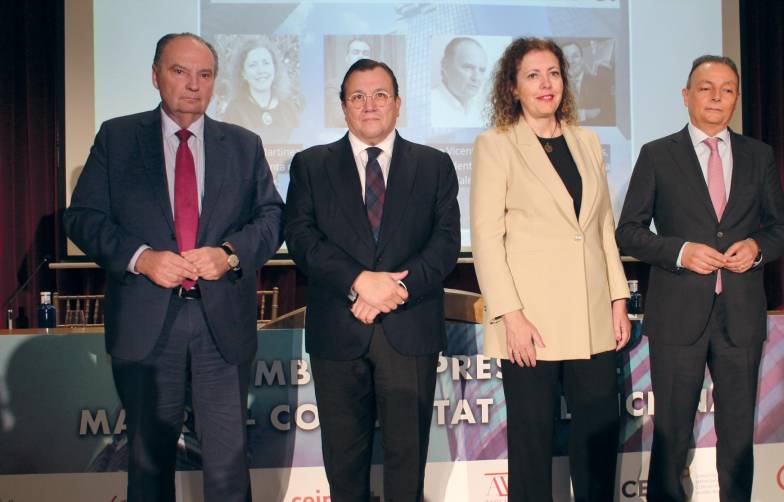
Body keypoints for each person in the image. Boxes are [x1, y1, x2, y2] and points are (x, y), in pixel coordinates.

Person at [65, 33, 284, 501]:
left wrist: (227, 255)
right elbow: (82, 218)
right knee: (147, 465)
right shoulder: (118, 138)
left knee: (228, 469)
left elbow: (272, 218)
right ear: (155, 76)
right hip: (147, 326)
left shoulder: (244, 145)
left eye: (204, 75)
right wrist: (142, 258)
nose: (193, 85)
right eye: (179, 72)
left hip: (221, 326)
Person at [615, 55, 784, 502]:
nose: (716, 97)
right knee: (672, 434)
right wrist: (680, 251)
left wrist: (756, 249)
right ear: (686, 95)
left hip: (740, 317)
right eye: (706, 87)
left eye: (727, 88)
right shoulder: (657, 154)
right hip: (678, 316)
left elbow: (781, 229)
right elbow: (628, 231)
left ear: (735, 97)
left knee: (737, 438)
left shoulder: (759, 155)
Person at [284, 59, 460, 501]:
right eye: (357, 96)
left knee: (407, 464)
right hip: (339, 331)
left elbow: (445, 243)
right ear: (343, 106)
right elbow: (301, 238)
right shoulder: (310, 165)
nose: (369, 105)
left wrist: (396, 289)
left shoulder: (435, 165)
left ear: (398, 104)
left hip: (410, 329)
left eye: (380, 94)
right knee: (344, 465)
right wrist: (359, 281)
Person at [470, 37, 631, 501]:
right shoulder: (495, 144)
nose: (547, 84)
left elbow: (601, 227)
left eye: (554, 73)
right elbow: (486, 237)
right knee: (532, 445)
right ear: (513, 88)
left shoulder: (586, 140)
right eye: (533, 75)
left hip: (592, 316)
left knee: (597, 440)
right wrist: (509, 315)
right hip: (530, 324)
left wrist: (618, 300)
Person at [223, 39, 300, 143]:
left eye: (266, 63)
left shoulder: (289, 108)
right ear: (243, 73)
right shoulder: (235, 110)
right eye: (253, 65)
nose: (261, 70)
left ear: (274, 68)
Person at [431, 37, 489, 127]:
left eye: (482, 70)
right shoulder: (430, 105)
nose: (476, 77)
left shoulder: (482, 110)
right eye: (468, 67)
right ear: (446, 66)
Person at [562, 41, 615, 126]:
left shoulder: (599, 83)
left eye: (575, 56)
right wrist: (585, 114)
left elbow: (607, 115)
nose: (570, 61)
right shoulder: (555, 86)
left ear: (582, 59)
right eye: (565, 57)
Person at [325, 38, 373, 127]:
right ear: (347, 58)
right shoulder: (333, 85)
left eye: (365, 53)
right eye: (355, 52)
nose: (361, 56)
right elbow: (341, 119)